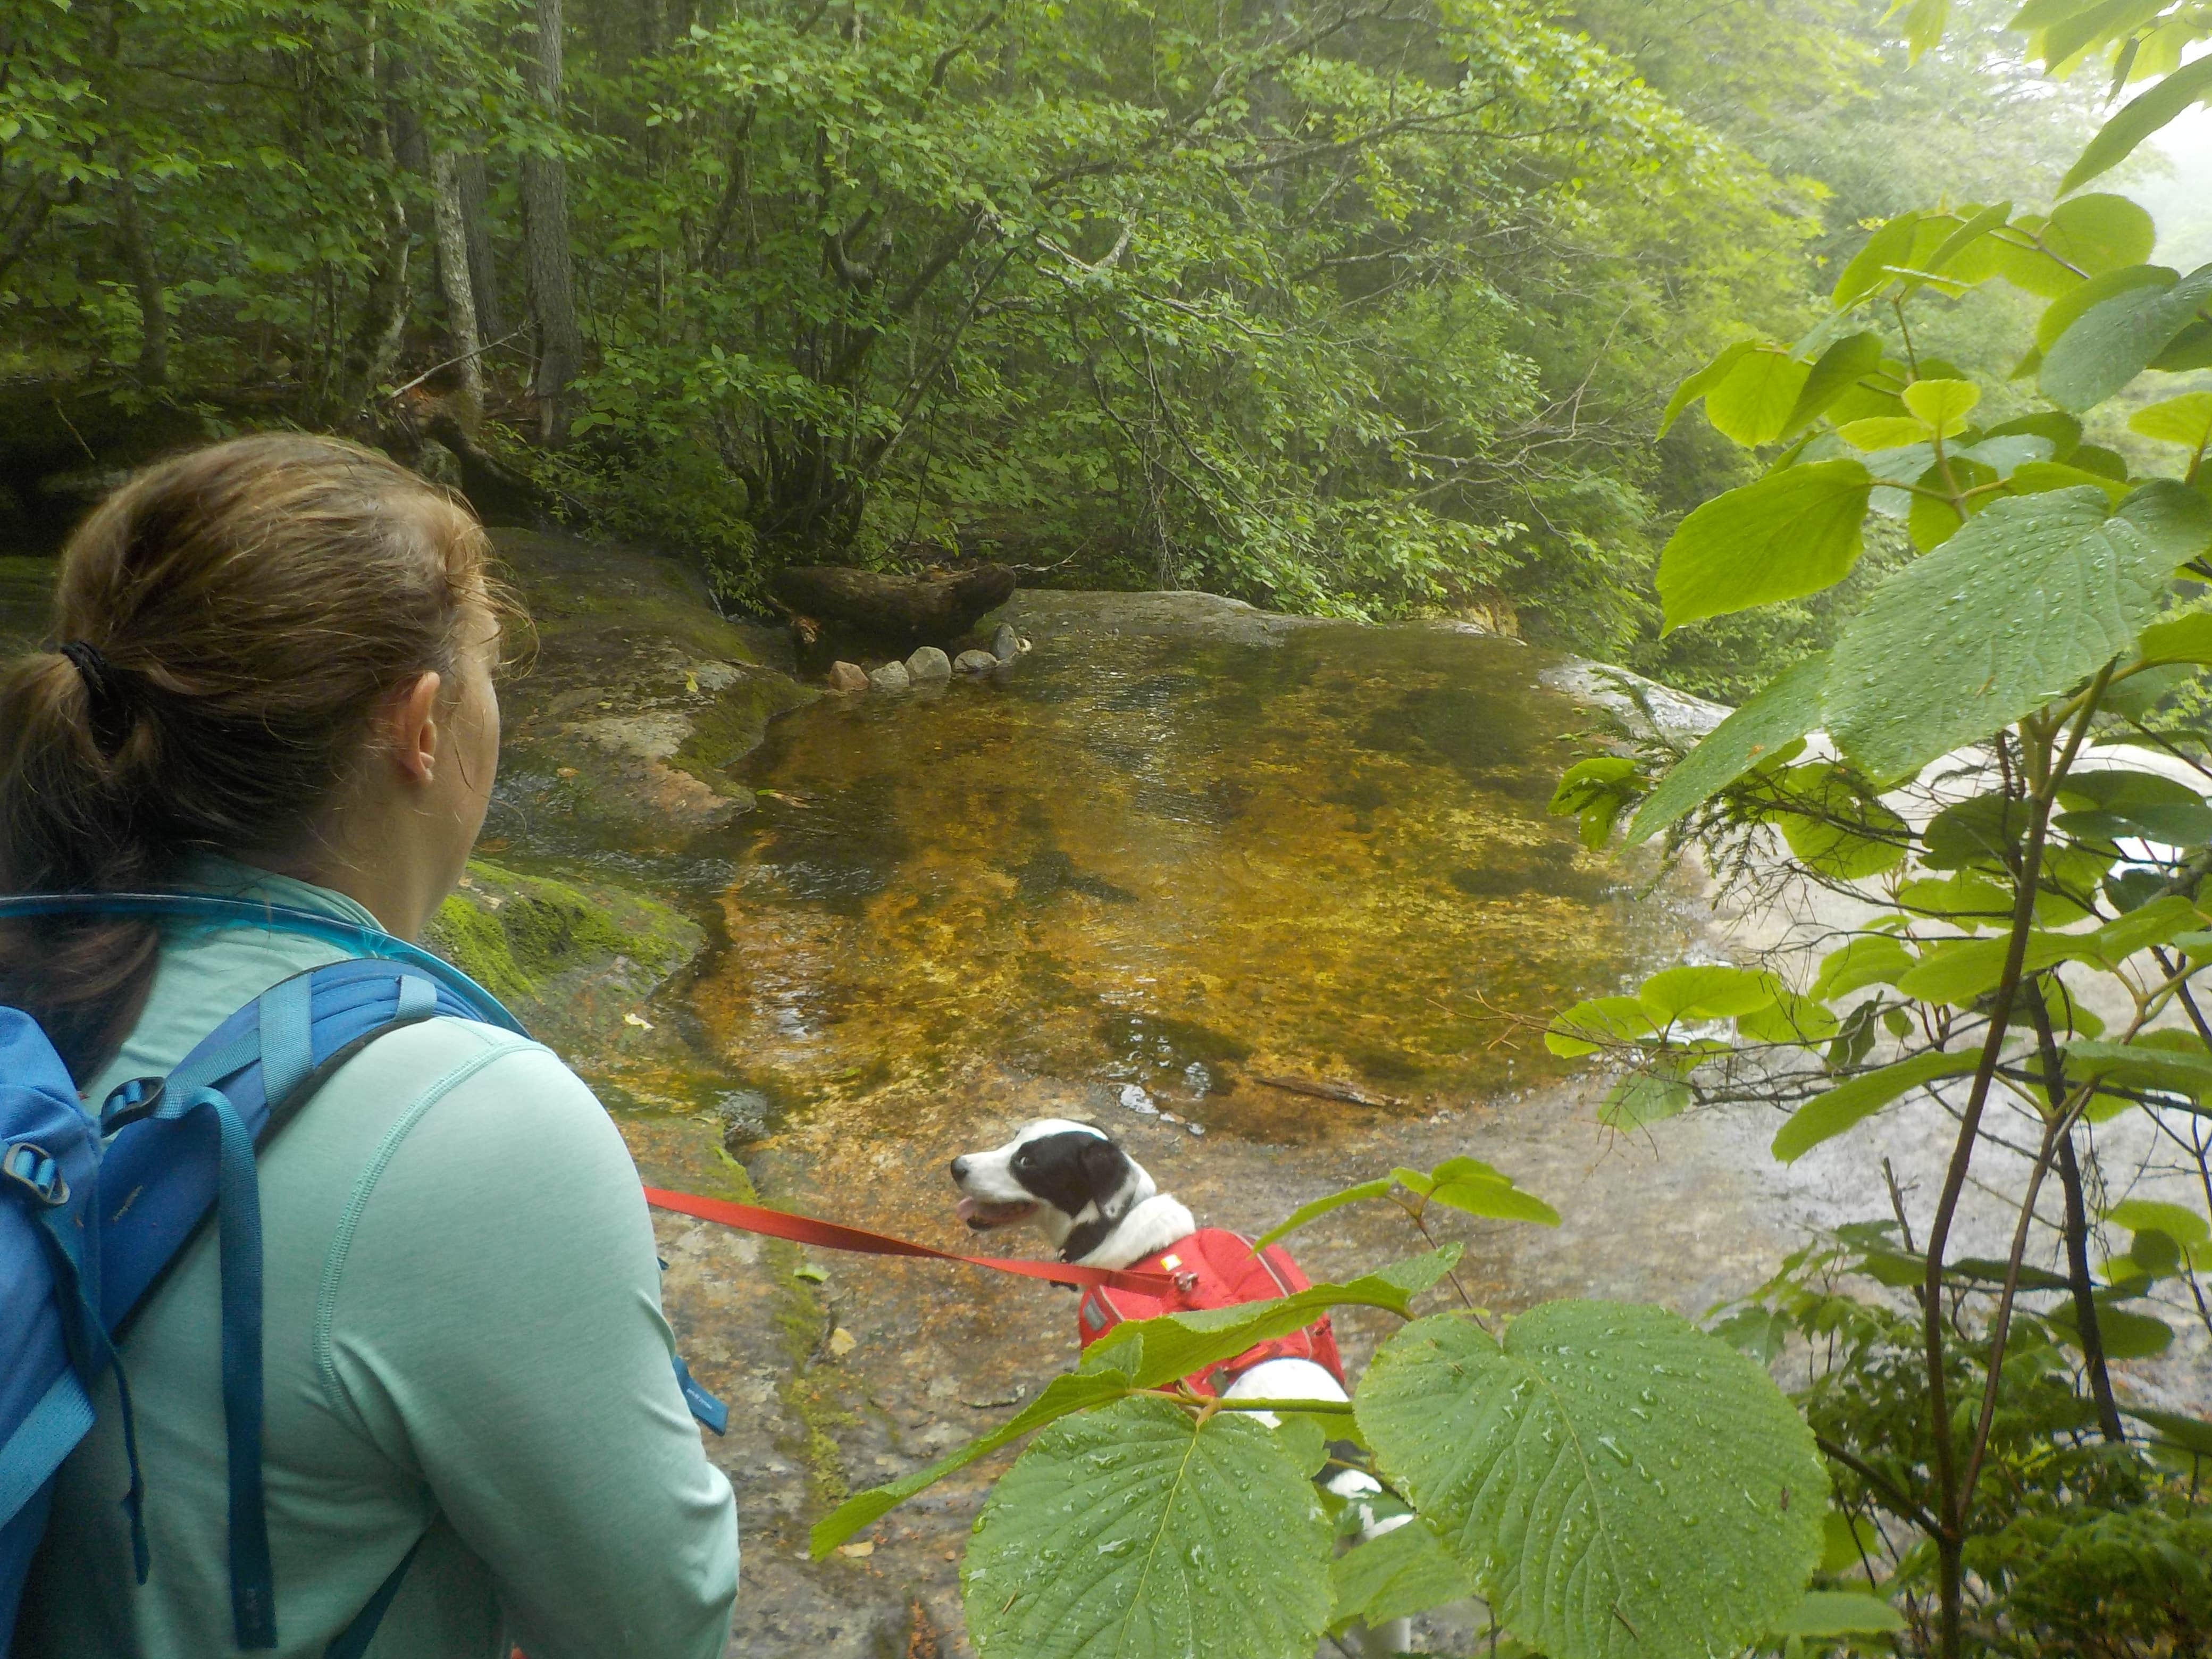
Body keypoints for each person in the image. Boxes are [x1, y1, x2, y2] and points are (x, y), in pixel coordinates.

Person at [0, 434, 739, 1657]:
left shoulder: (39, 977)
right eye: (496, 678)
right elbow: (659, 1627)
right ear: (423, 724)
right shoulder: (477, 1126)